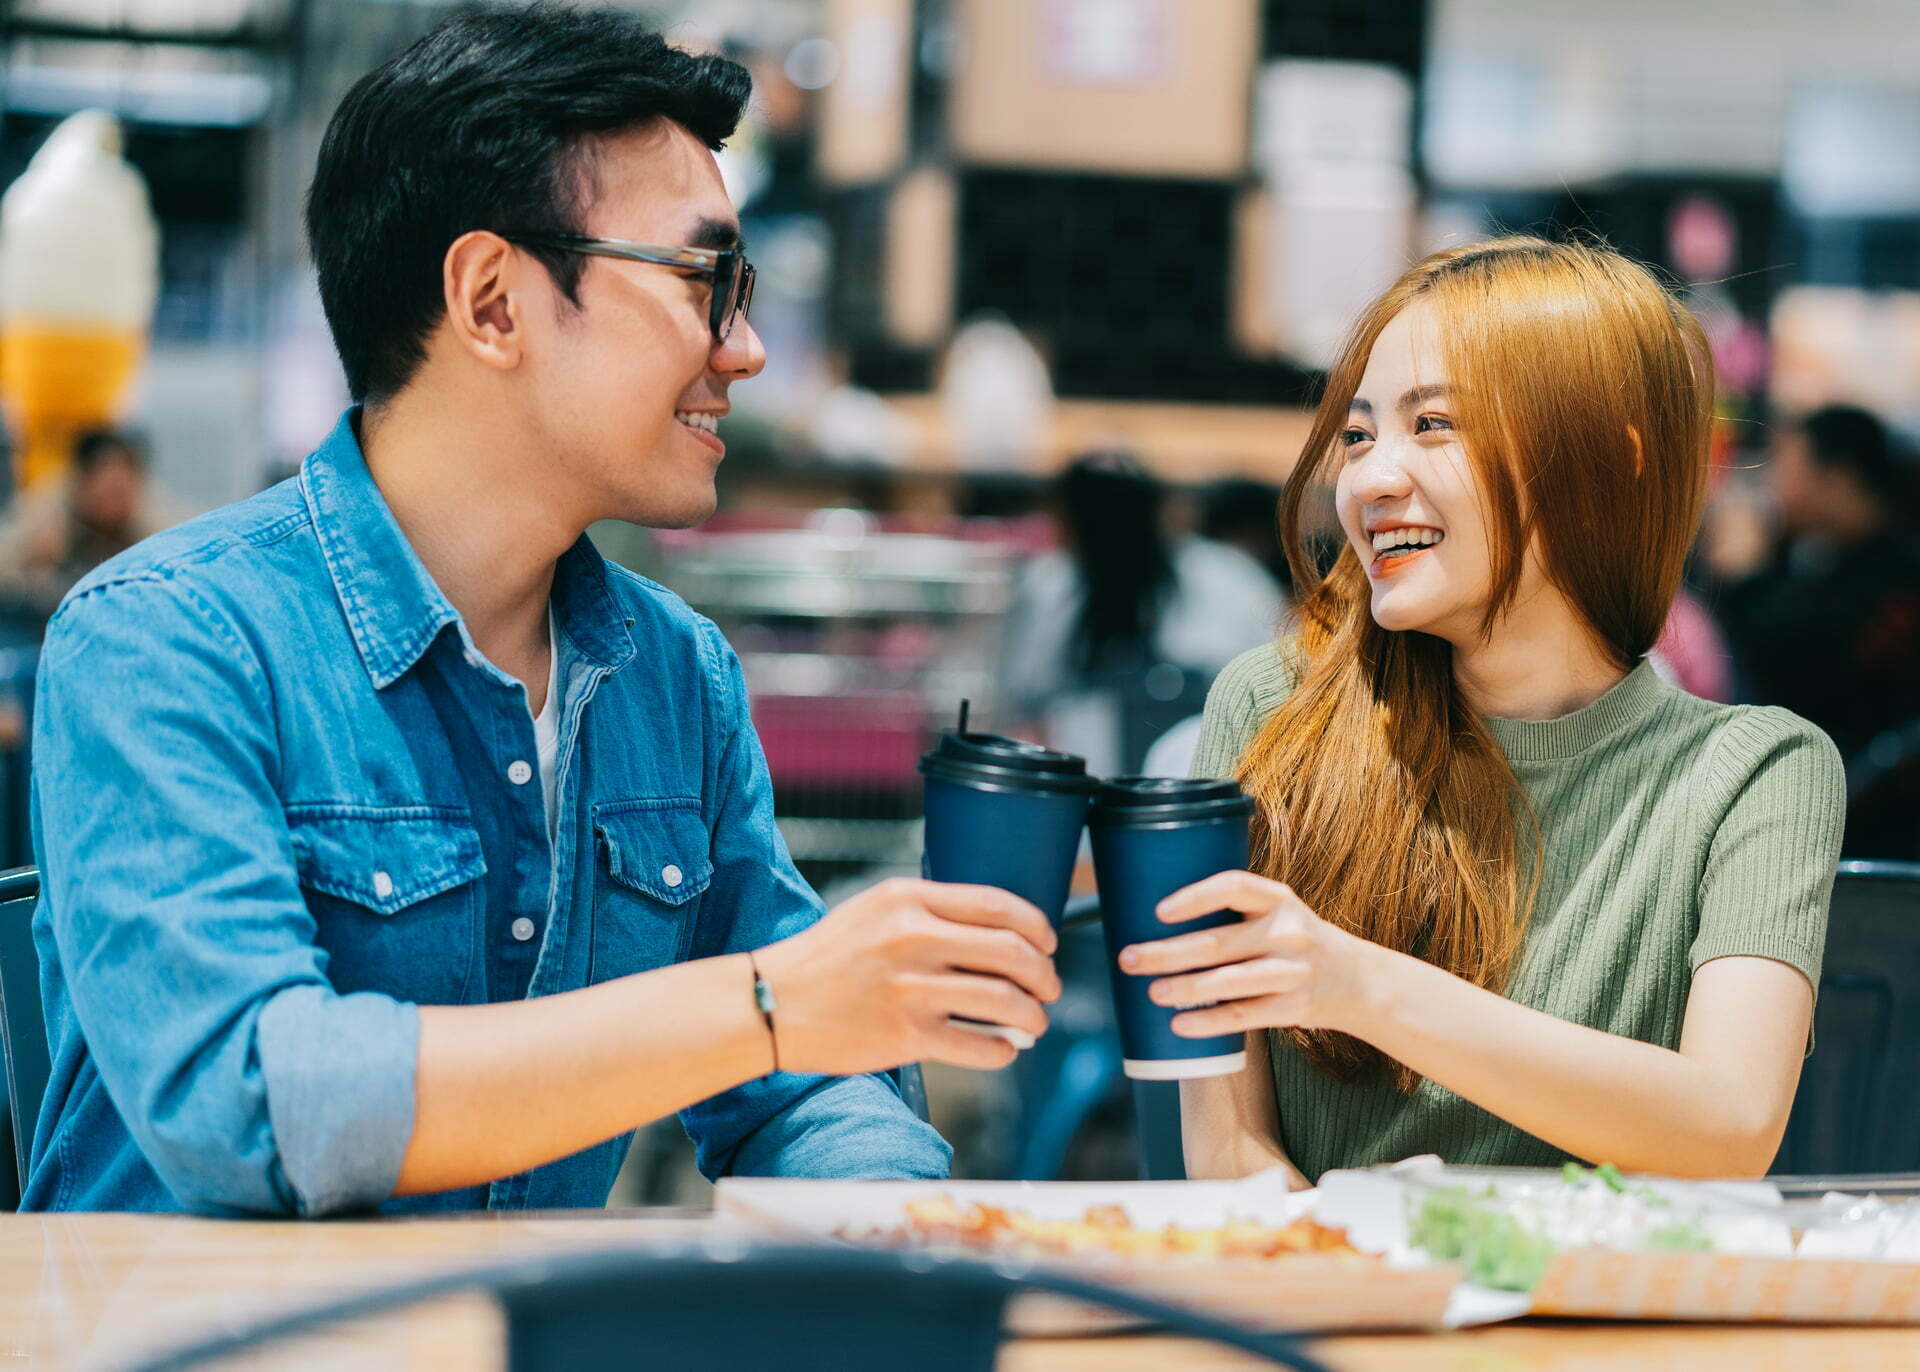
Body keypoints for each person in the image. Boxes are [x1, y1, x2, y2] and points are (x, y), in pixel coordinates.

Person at [23, 6, 1061, 1217]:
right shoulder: (169, 639)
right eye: (707, 280)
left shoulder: (676, 678)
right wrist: (766, 1005)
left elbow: (813, 1086)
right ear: (493, 301)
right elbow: (254, 1098)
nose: (749, 350)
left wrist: (894, 1223)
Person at [1118, 237, 1844, 1186]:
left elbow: (1731, 1125)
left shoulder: (1756, 773)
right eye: (1358, 434)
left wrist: (1359, 985)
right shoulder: (1271, 708)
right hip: (1331, 1310)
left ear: (1610, 461)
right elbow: (1229, 1148)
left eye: (1434, 425)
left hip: (1606, 1325)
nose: (1372, 480)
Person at [998, 453, 1283, 777]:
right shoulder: (1053, 585)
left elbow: (1279, 682)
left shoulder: (1225, 577)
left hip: (1200, 778)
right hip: (1089, 783)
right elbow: (1026, 707)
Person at [1706, 405, 1920, 758]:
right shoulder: (1833, 556)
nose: (1776, 487)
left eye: (1789, 470)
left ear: (1839, 478)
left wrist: (1744, 575)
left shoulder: (1893, 580)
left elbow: (1790, 675)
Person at [0, 429, 172, 622]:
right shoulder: (43, 521)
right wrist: (35, 567)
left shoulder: (153, 531)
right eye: (107, 487)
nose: (115, 497)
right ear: (81, 479)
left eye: (121, 489)